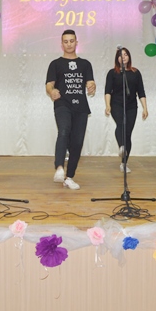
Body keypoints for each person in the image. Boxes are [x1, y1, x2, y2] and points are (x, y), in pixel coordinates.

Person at [46, 29, 96, 190]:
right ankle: (59, 167)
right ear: (62, 44)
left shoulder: (85, 64)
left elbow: (90, 82)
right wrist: (52, 91)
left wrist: (92, 86)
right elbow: (49, 84)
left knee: (77, 142)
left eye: (71, 41)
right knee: (63, 130)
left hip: (81, 107)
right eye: (66, 41)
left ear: (76, 42)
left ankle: (69, 177)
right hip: (62, 104)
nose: (69, 44)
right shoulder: (55, 64)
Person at [104, 47, 148, 173]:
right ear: (117, 58)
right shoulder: (112, 73)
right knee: (121, 124)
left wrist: (145, 108)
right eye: (120, 55)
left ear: (129, 57)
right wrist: (108, 105)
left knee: (128, 133)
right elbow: (108, 91)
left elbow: (141, 92)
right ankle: (122, 146)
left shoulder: (135, 72)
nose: (123, 57)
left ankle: (124, 163)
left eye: (125, 54)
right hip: (116, 104)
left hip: (131, 106)